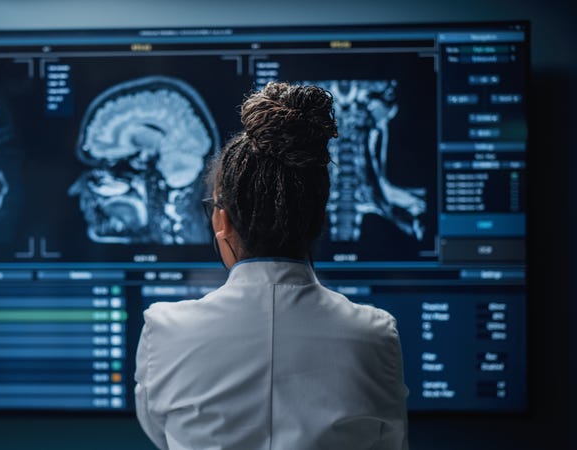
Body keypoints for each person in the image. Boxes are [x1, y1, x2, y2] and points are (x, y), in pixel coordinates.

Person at [134, 82, 409, 449]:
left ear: (222, 221)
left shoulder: (165, 331)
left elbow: (162, 435)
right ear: (318, 218)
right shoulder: (374, 336)